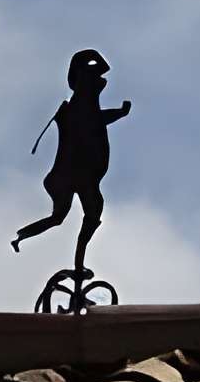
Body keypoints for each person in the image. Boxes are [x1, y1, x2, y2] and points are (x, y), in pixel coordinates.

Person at [13, 48, 131, 267]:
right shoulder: (78, 107)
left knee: (79, 215)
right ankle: (27, 239)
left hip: (81, 176)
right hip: (72, 176)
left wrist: (119, 113)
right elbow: (94, 118)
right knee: (71, 216)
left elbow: (97, 117)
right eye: (92, 76)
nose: (99, 79)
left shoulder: (85, 106)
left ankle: (76, 264)